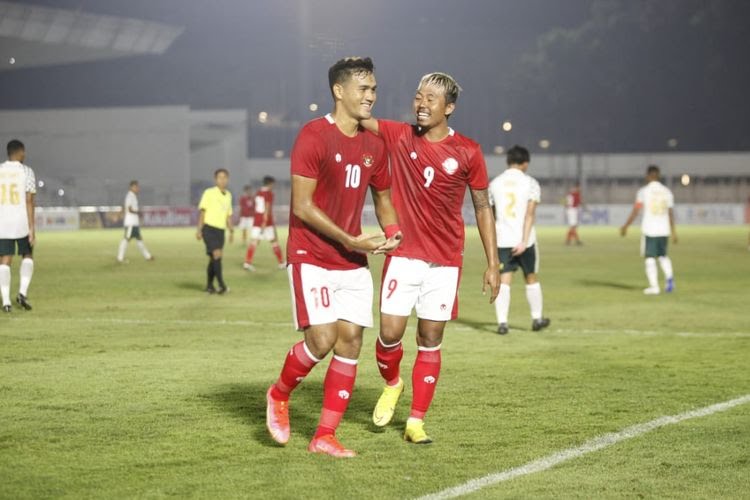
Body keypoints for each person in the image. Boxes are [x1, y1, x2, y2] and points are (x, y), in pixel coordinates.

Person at [265, 57, 401, 458]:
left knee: (351, 341)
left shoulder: (375, 143)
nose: (371, 96)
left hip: (351, 259)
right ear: (339, 91)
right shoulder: (313, 136)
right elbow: (303, 207)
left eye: (374, 89)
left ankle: (325, 435)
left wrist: (394, 235)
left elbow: (384, 200)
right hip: (311, 253)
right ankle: (278, 394)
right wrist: (352, 240)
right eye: (363, 89)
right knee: (322, 339)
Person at [361, 72, 500, 444]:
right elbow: (358, 117)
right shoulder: (399, 134)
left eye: (431, 99)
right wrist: (354, 89)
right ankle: (393, 384)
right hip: (404, 255)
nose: (421, 104)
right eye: (418, 97)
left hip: (445, 262)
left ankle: (416, 421)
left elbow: (483, 207)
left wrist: (493, 263)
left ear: (449, 108)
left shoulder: (468, 151)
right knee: (389, 334)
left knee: (430, 337)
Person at [488, 145, 551, 335]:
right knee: (531, 277)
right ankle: (537, 318)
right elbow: (530, 215)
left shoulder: (495, 183)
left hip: (502, 240)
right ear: (525, 163)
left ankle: (502, 323)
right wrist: (523, 241)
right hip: (525, 241)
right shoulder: (530, 182)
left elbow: (492, 215)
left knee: (504, 280)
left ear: (508, 162)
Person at [620, 165, 678, 295]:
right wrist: (673, 232)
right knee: (663, 256)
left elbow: (636, 210)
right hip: (664, 229)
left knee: (650, 258)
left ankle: (654, 287)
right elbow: (670, 213)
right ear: (658, 175)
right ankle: (669, 278)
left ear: (648, 176)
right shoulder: (667, 192)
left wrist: (625, 226)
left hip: (650, 229)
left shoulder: (643, 192)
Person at [0, 139, 36, 313]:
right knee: (27, 255)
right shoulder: (26, 171)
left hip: (3, 222)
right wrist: (32, 228)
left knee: (5, 260)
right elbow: (29, 201)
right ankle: (22, 292)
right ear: (20, 152)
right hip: (20, 221)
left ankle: (6, 301)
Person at [196, 169, 234, 294]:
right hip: (209, 228)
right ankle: (222, 285)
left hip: (220, 231)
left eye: (224, 177)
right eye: (219, 177)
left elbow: (228, 214)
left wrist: (231, 229)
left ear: (227, 179)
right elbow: (203, 211)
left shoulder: (228, 195)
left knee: (214, 259)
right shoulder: (209, 193)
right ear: (215, 179)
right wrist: (199, 229)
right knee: (217, 255)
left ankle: (209, 286)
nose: (222, 180)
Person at [243, 176, 285, 271]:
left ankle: (247, 263)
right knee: (274, 241)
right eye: (273, 184)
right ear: (270, 183)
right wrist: (265, 222)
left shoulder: (258, 192)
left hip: (257, 220)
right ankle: (282, 263)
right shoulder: (269, 193)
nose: (274, 186)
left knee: (254, 242)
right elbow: (267, 207)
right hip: (265, 222)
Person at [116, 180, 154, 263]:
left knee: (139, 240)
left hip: (134, 223)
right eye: (136, 187)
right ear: (131, 187)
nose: (138, 189)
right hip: (131, 223)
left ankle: (148, 256)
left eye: (138, 187)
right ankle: (120, 258)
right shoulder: (130, 196)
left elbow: (124, 206)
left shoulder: (132, 196)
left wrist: (119, 214)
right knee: (126, 239)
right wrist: (138, 212)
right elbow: (129, 209)